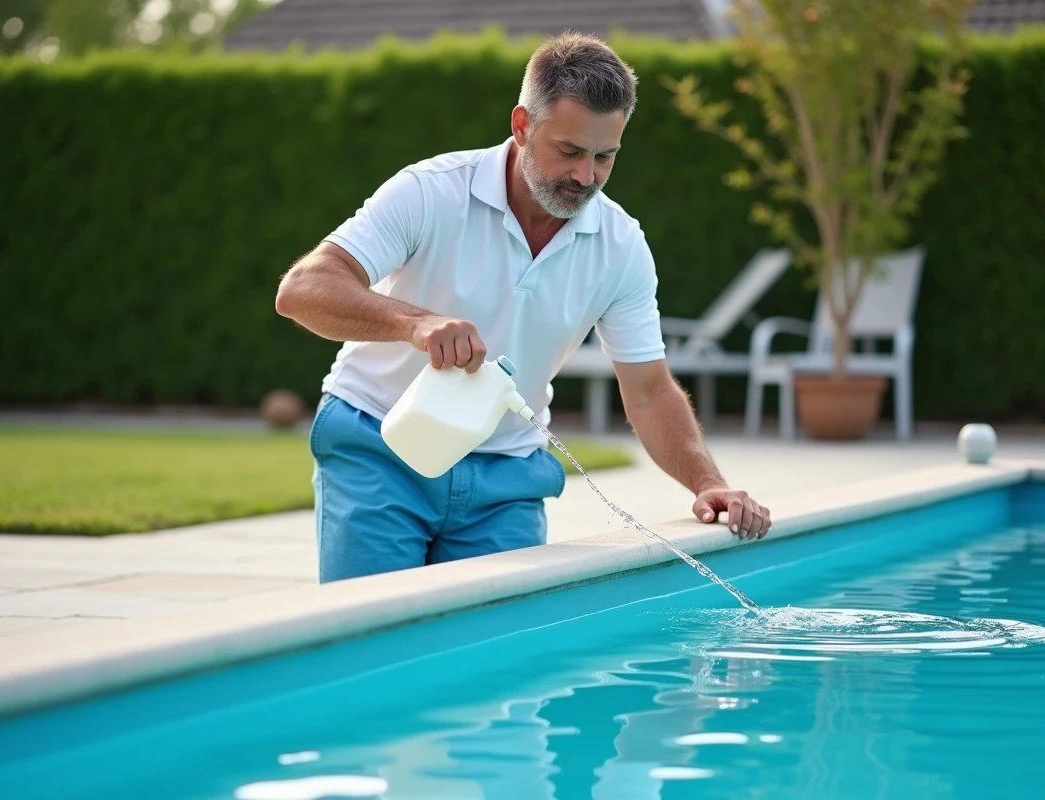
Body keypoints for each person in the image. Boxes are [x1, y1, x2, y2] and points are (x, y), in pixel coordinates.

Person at [275, 32, 771, 583]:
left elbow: (651, 390)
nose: (586, 177)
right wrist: (416, 324)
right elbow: (302, 289)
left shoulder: (621, 244)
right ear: (521, 127)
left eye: (605, 157)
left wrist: (708, 483)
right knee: (369, 648)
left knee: (491, 660)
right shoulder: (430, 191)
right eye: (569, 151)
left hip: (504, 481)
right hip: (380, 447)